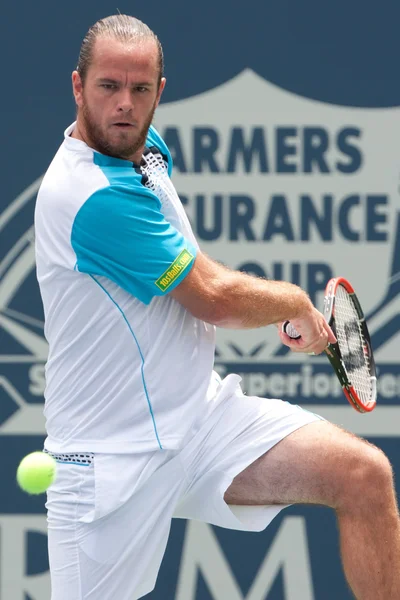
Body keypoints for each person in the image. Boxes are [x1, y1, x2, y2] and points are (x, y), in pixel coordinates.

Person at [34, 13, 400, 600]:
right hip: (111, 463)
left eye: (140, 88)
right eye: (107, 87)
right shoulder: (90, 197)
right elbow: (211, 298)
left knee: (363, 476)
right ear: (77, 87)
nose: (124, 104)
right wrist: (295, 303)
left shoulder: (145, 149)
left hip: (200, 421)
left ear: (160, 92)